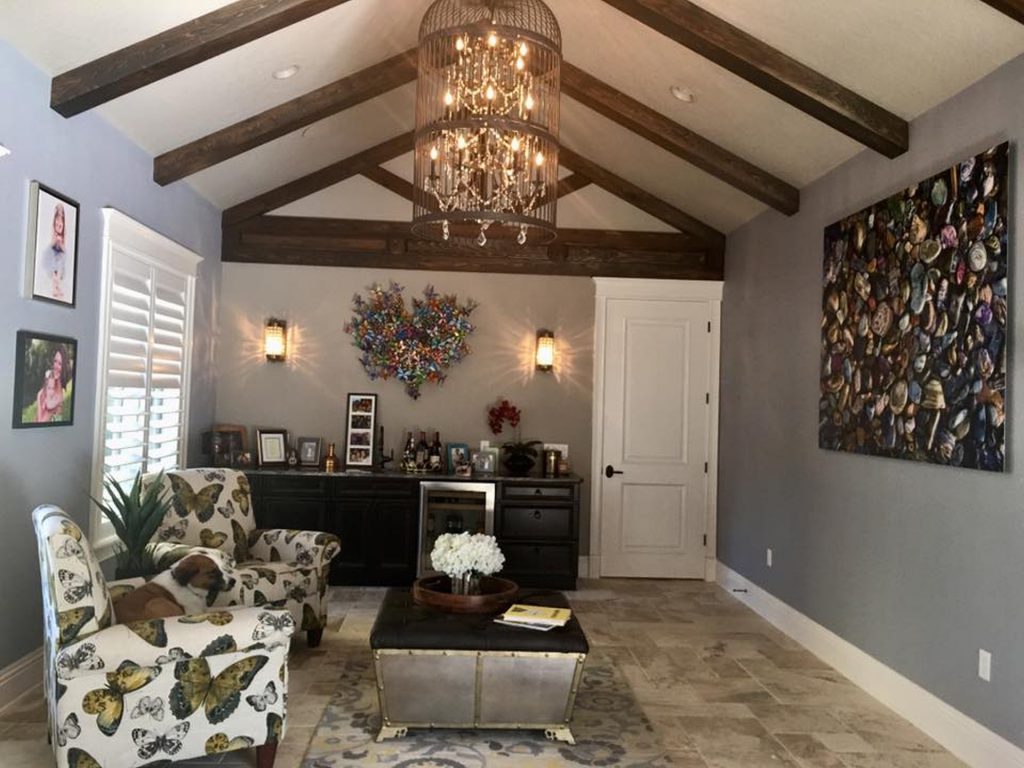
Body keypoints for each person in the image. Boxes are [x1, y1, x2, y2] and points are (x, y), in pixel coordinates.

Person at [40, 203, 67, 301]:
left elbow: (63, 250)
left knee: (60, 263)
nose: (59, 226)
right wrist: (56, 242)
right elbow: (52, 246)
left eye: (61, 224)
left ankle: (57, 286)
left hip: (58, 255)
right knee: (56, 264)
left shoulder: (63, 236)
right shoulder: (54, 235)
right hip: (53, 254)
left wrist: (61, 245)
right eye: (57, 224)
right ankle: (55, 287)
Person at [36, 347, 65, 422]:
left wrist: (38, 397)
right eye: (55, 361)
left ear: (64, 366)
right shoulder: (53, 383)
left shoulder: (57, 395)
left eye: (60, 364)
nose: (55, 366)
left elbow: (40, 422)